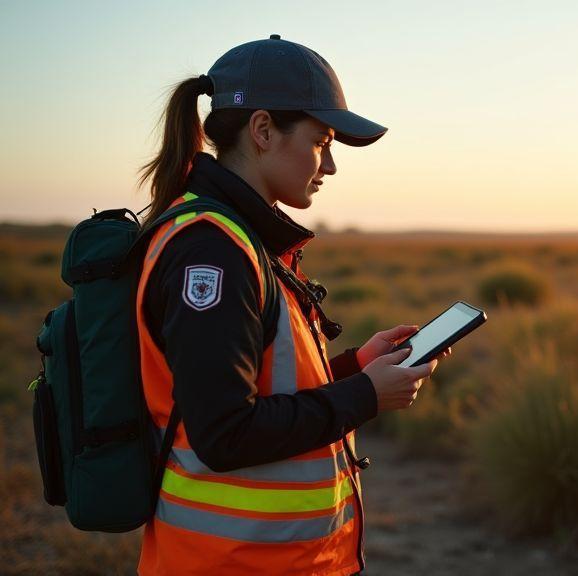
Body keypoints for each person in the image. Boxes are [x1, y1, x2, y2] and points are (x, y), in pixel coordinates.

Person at [133, 35, 448, 576]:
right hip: (231, 563)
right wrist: (363, 396)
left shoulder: (237, 239)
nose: (329, 166)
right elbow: (224, 433)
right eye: (322, 141)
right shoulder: (212, 252)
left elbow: (258, 391)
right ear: (262, 131)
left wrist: (354, 369)